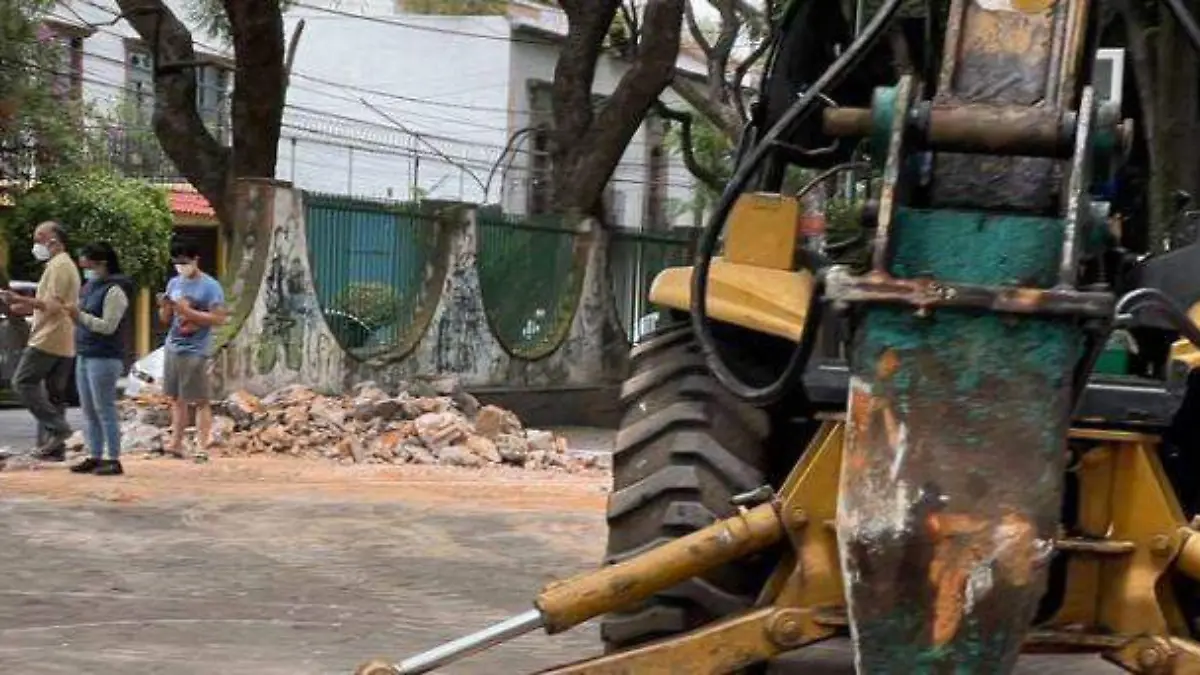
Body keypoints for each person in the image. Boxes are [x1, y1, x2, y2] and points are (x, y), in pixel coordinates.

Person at [0, 221, 80, 461]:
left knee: (23, 382)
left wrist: (18, 299)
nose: (36, 245)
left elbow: (53, 306)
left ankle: (59, 429)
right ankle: (54, 449)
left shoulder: (60, 266)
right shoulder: (61, 265)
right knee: (55, 394)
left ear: (53, 240)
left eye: (39, 239)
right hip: (63, 338)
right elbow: (51, 304)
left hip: (49, 337)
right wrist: (23, 306)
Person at [64, 242, 134, 476]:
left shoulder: (115, 290)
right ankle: (94, 454)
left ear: (102, 263)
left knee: (104, 408)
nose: (86, 270)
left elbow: (108, 326)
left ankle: (113, 458)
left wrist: (80, 316)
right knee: (88, 410)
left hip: (104, 355)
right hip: (85, 352)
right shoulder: (90, 287)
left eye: (89, 265)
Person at [158, 242, 226, 456]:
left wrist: (188, 312)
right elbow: (165, 319)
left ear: (196, 260)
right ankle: (176, 443)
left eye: (184, 262)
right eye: (177, 263)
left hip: (196, 348)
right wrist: (166, 306)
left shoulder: (210, 286)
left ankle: (201, 446)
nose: (181, 267)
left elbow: (218, 318)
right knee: (176, 398)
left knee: (200, 399)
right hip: (173, 345)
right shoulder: (174, 283)